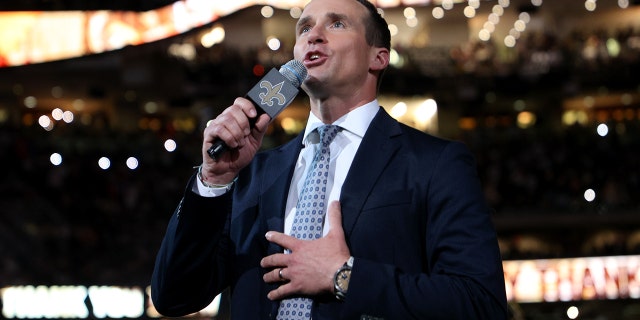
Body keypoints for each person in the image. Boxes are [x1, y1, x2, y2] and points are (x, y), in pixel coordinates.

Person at [151, 0, 509, 319]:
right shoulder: (253, 173)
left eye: (336, 23)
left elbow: (481, 303)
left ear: (378, 56)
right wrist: (213, 181)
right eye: (304, 27)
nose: (314, 35)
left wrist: (346, 277)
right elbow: (173, 297)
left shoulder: (435, 164)